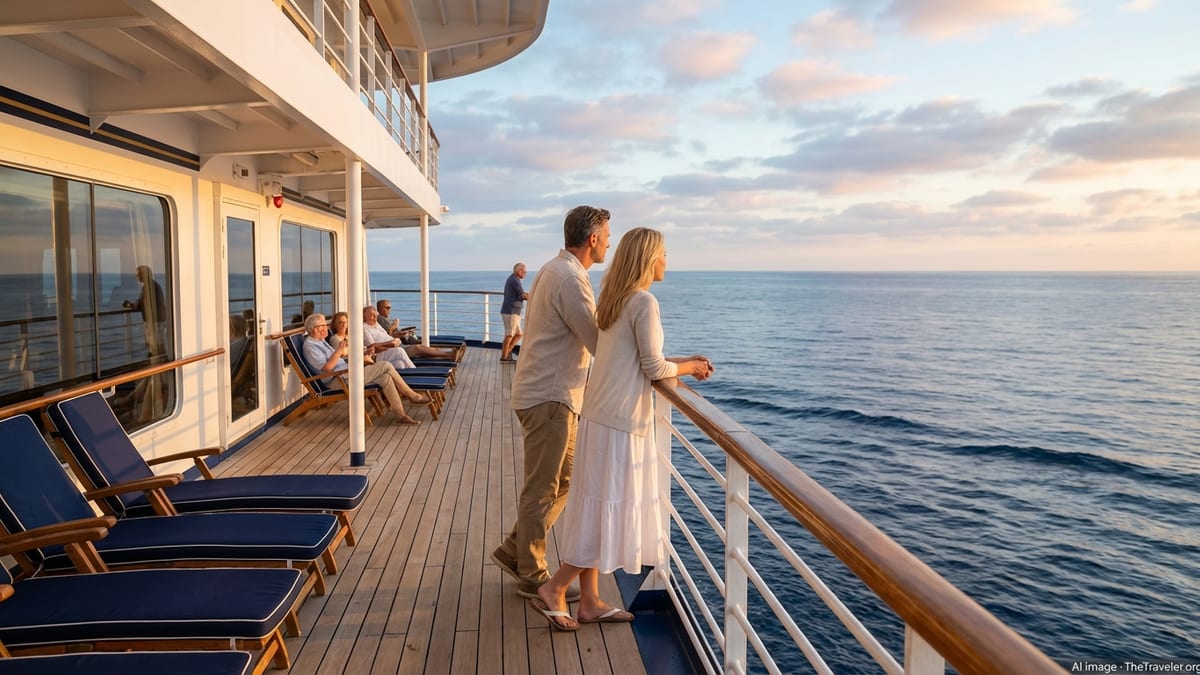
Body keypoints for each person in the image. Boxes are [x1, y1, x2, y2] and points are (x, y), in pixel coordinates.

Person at [530, 227, 712, 631]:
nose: (668, 260)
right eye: (664, 253)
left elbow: (633, 357)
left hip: (598, 416)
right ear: (649, 259)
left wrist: (680, 361)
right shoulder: (645, 302)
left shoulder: (615, 300)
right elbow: (652, 367)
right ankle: (555, 587)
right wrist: (689, 368)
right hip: (620, 425)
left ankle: (591, 601)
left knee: (595, 506)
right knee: (605, 511)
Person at [490, 205, 611, 602]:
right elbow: (596, 340)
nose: (609, 241)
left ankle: (514, 550)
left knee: (563, 482)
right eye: (607, 235)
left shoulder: (555, 271)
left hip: (555, 396)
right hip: (551, 397)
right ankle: (532, 573)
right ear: (592, 238)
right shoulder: (569, 279)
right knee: (541, 489)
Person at [302, 313, 427, 426]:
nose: (327, 328)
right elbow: (327, 368)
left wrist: (362, 356)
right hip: (338, 380)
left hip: (347, 373)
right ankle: (412, 395)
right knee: (385, 365)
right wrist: (339, 351)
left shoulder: (320, 342)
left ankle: (400, 415)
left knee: (386, 378)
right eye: (324, 325)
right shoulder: (310, 346)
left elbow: (338, 361)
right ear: (316, 328)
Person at [376, 299, 457, 360]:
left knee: (422, 347)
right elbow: (388, 336)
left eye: (390, 307)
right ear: (380, 308)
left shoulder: (385, 319)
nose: (389, 309)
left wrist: (403, 332)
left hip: (401, 343)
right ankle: (448, 355)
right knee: (417, 348)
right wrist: (394, 326)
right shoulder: (380, 319)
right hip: (396, 349)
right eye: (387, 307)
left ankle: (448, 354)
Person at [122, 265, 167, 356]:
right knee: (158, 345)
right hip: (158, 320)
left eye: (138, 275)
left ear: (143, 275)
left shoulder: (148, 287)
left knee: (154, 345)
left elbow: (143, 304)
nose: (137, 277)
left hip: (154, 321)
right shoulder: (153, 285)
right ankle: (160, 363)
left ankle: (157, 365)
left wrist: (131, 305)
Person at [500, 262, 529, 362]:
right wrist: (535, 296)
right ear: (519, 271)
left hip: (511, 311)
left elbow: (521, 294)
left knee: (517, 334)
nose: (525, 274)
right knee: (510, 334)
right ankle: (505, 356)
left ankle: (506, 353)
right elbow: (523, 295)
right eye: (524, 272)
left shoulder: (512, 279)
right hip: (511, 311)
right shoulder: (515, 281)